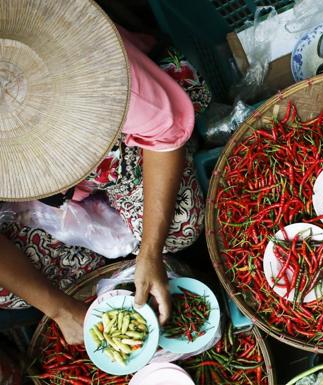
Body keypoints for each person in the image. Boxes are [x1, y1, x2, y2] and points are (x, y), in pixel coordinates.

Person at [0, 23, 207, 344]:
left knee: (179, 228)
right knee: (11, 293)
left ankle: (144, 262)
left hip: (120, 146)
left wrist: (151, 251)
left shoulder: (99, 69)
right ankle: (120, 275)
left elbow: (162, 137)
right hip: (45, 195)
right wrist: (60, 309)